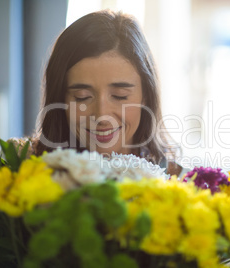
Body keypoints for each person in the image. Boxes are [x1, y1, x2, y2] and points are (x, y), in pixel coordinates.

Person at [14, 9, 185, 177]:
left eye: (119, 96)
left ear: (146, 96)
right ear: (60, 99)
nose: (102, 115)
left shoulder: (179, 182)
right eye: (82, 97)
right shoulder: (23, 169)